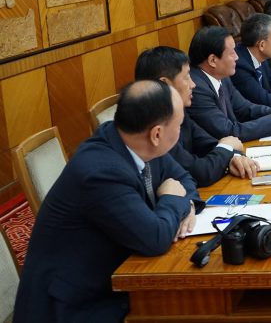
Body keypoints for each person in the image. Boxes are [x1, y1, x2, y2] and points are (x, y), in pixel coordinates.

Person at [14, 81, 202, 322]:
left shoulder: (134, 140)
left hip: (112, 278)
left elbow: (184, 178)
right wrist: (173, 200)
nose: (180, 130)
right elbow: (154, 238)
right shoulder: (101, 172)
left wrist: (187, 205)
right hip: (75, 306)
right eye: (179, 124)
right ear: (157, 134)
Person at [135, 46, 259, 186]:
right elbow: (201, 172)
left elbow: (210, 145)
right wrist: (226, 148)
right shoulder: (153, 126)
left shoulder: (179, 113)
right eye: (186, 77)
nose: (193, 84)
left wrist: (234, 157)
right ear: (164, 84)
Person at [186, 26, 271, 141]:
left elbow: (245, 108)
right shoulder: (196, 89)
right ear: (213, 60)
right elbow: (228, 131)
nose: (237, 57)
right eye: (231, 53)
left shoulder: (222, 77)